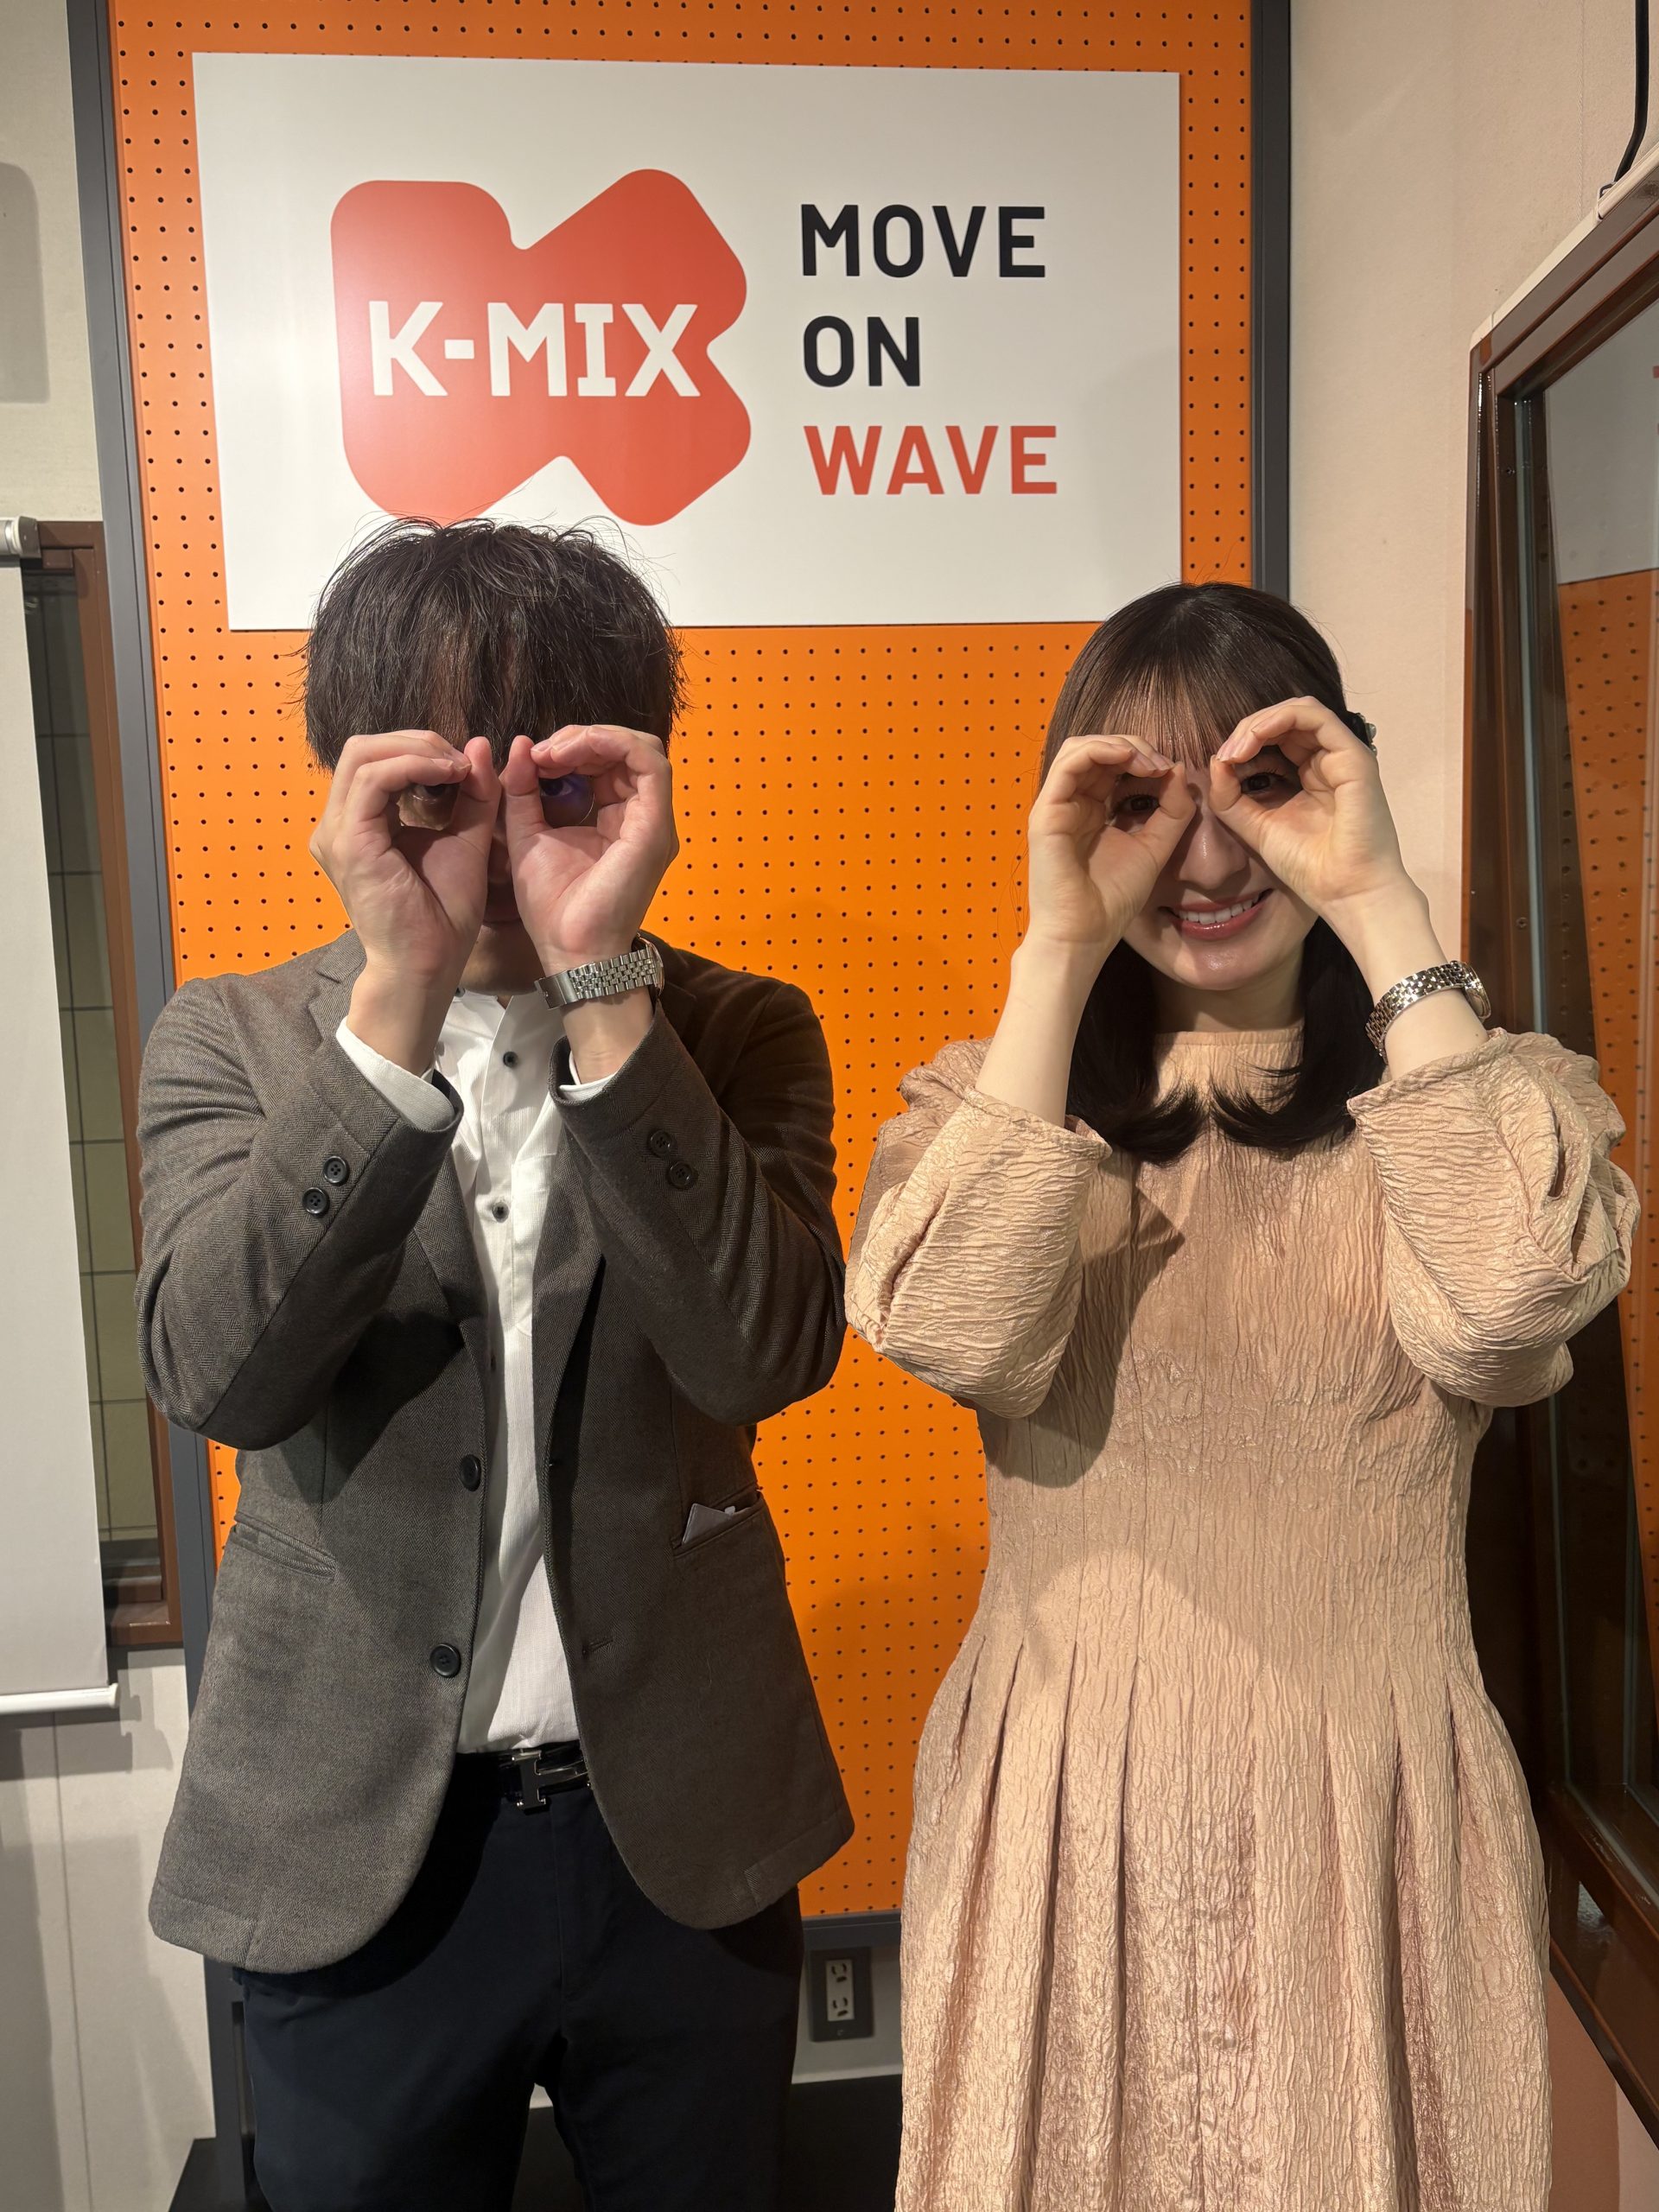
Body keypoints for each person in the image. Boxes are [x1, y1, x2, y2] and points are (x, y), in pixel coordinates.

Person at [848, 582, 1637, 2212]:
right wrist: (1061, 947)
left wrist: (1379, 899)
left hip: (1369, 1814)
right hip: (1065, 1814)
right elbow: (950, 1330)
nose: (1206, 860)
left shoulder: (1476, 1103)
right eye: (1143, 806)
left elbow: (1508, 1307)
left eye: (1262, 787)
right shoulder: (994, 1116)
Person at [136, 518, 852, 2212]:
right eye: (448, 788)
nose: (508, 832)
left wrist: (603, 979)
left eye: (559, 782)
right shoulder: (236, 1038)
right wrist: (400, 990)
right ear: (357, 785)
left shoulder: (737, 1031)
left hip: (679, 1833)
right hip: (350, 1843)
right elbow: (222, 1375)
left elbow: (760, 1351)